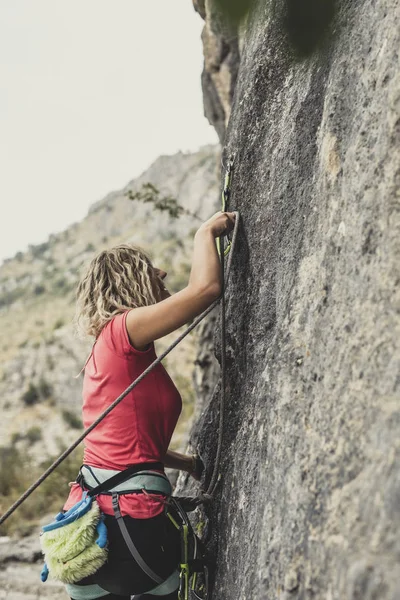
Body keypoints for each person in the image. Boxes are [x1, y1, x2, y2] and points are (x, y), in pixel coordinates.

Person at [62, 211, 236, 600]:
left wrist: (189, 465)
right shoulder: (122, 331)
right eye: (149, 269)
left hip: (91, 526)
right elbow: (205, 289)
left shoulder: (110, 352)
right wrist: (205, 231)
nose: (161, 273)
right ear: (131, 280)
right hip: (133, 525)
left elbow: (136, 445)